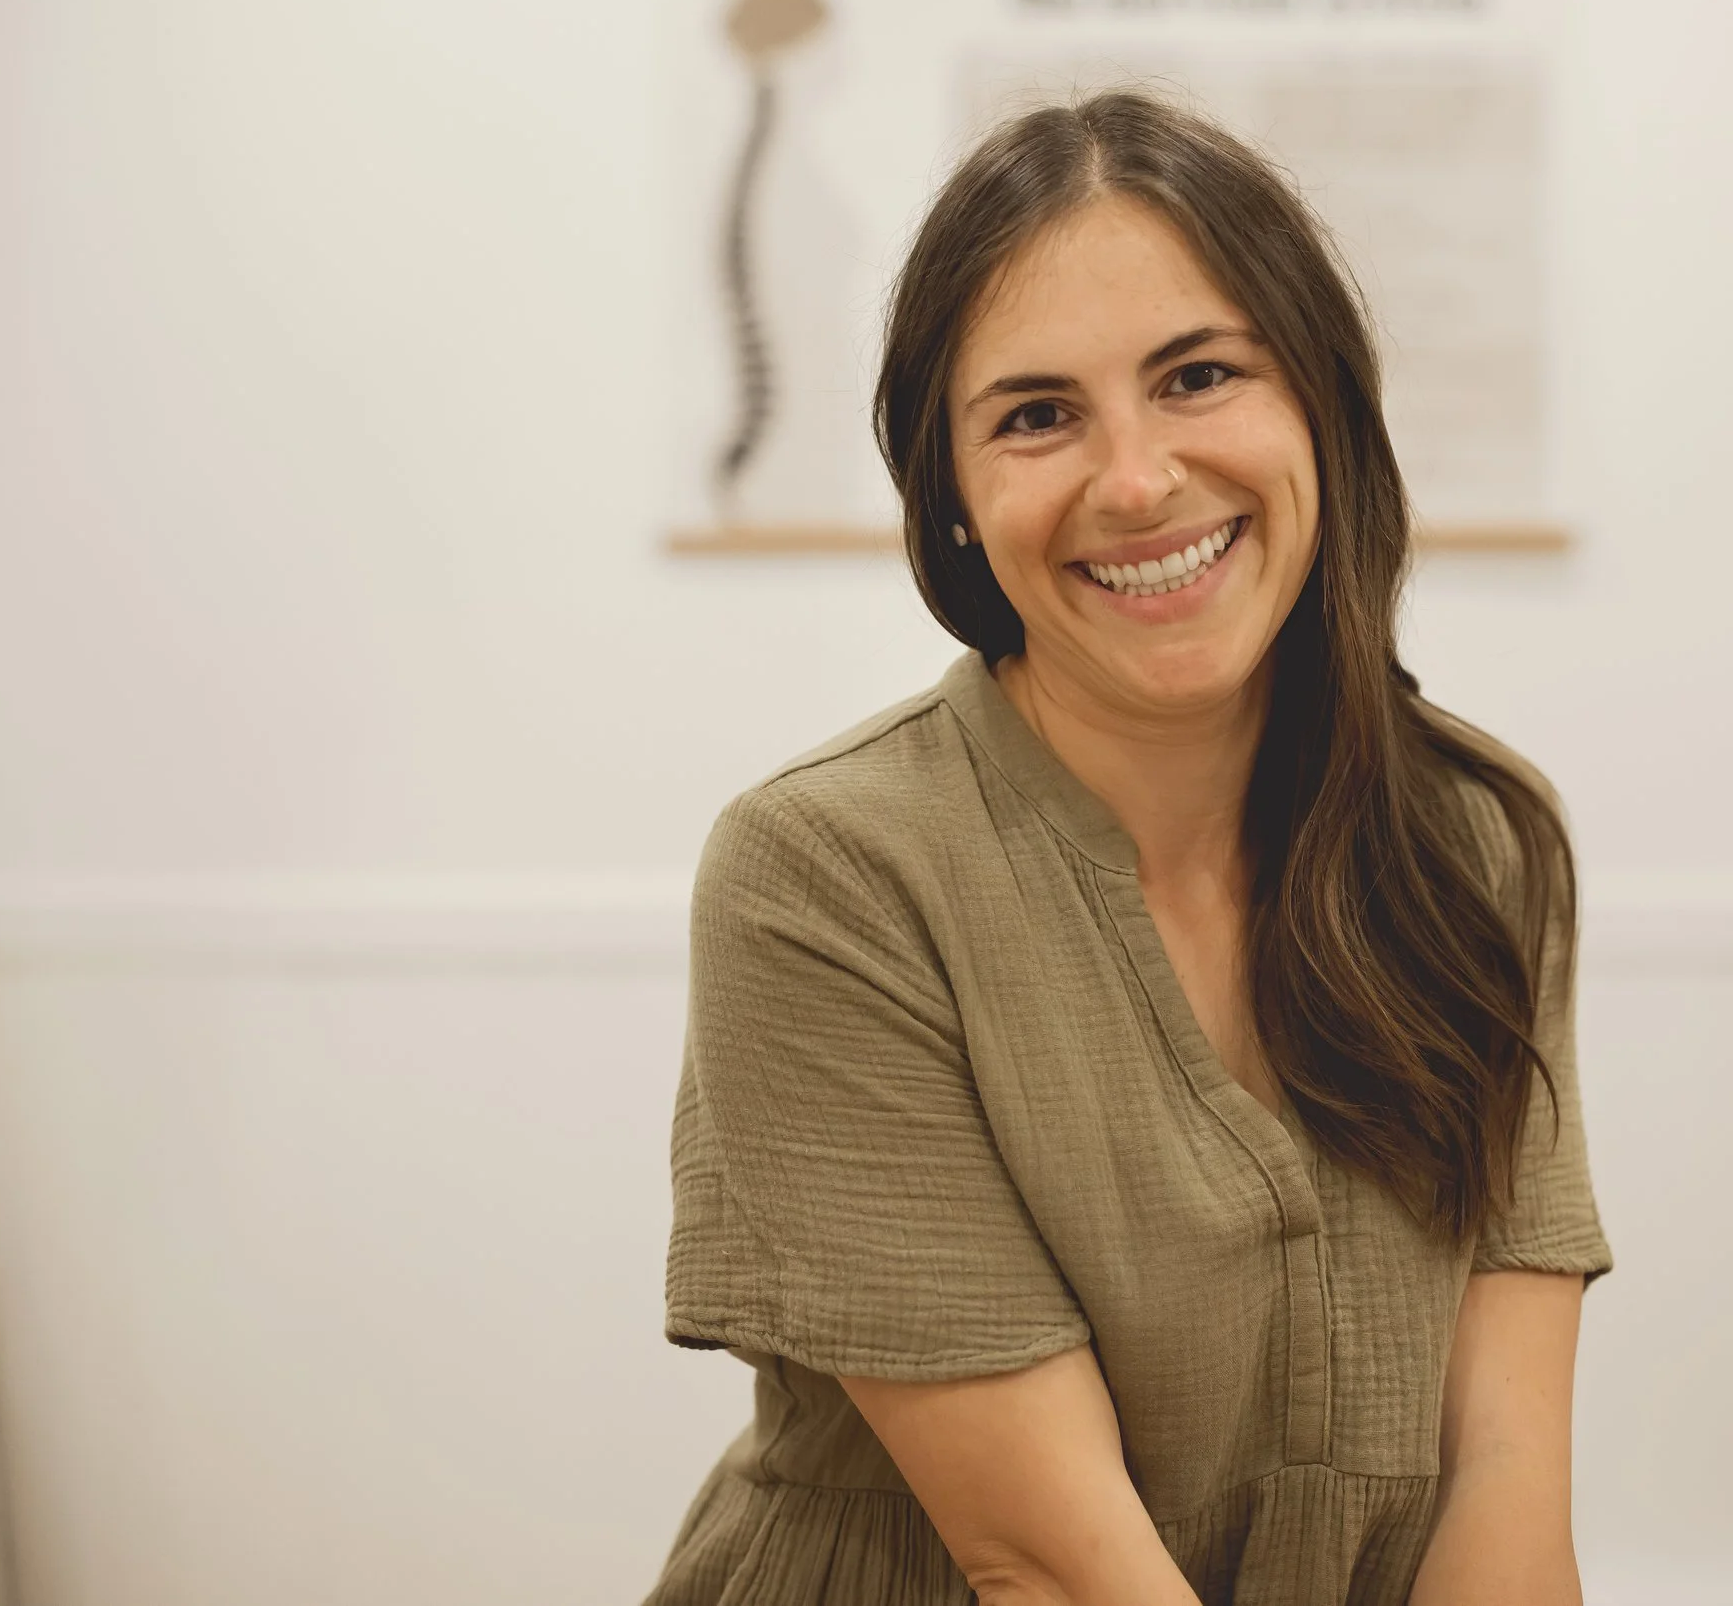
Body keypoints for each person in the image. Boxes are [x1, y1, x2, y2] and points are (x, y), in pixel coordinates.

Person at [643, 88, 1613, 1606]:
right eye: (1036, 415)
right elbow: (1047, 1559)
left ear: (1325, 414)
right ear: (954, 502)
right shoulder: (825, 875)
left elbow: (1505, 1477)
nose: (1139, 478)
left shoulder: (1477, 843)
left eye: (1199, 375)